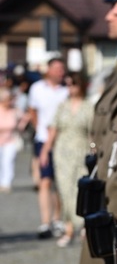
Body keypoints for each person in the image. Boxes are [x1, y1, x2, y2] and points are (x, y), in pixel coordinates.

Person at [40, 72, 94, 247]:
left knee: (80, 190)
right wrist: (45, 151)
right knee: (64, 190)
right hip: (62, 152)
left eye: (73, 84)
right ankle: (69, 228)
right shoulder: (62, 106)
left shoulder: (88, 106)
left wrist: (96, 152)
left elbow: (92, 133)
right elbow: (53, 130)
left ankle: (83, 224)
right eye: (68, 85)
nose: (70, 88)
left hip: (81, 151)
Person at [28, 57, 69, 239]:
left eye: (62, 69)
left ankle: (57, 218)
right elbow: (32, 111)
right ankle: (45, 221)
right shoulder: (37, 89)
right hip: (43, 139)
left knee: (59, 182)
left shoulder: (66, 90)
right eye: (57, 68)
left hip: (62, 141)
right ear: (49, 70)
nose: (60, 72)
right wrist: (40, 130)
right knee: (44, 180)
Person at [0, 87, 28, 192]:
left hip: (10, 139)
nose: (9, 101)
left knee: (8, 161)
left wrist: (21, 127)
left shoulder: (15, 110)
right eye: (7, 99)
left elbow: (25, 118)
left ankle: (6, 183)